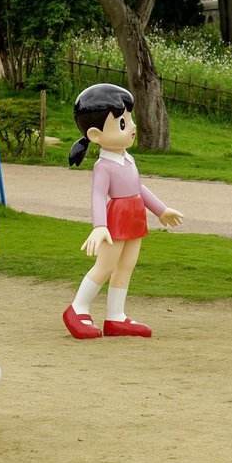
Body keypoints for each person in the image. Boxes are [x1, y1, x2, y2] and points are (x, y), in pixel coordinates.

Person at [62, 83, 183, 340]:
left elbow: (138, 187)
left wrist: (161, 210)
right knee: (105, 266)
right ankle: (77, 308)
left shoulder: (128, 158)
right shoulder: (103, 165)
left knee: (126, 266)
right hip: (116, 218)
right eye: (122, 123)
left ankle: (115, 315)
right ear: (96, 135)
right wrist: (99, 225)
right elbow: (97, 195)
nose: (132, 127)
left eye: (129, 120)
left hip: (135, 216)